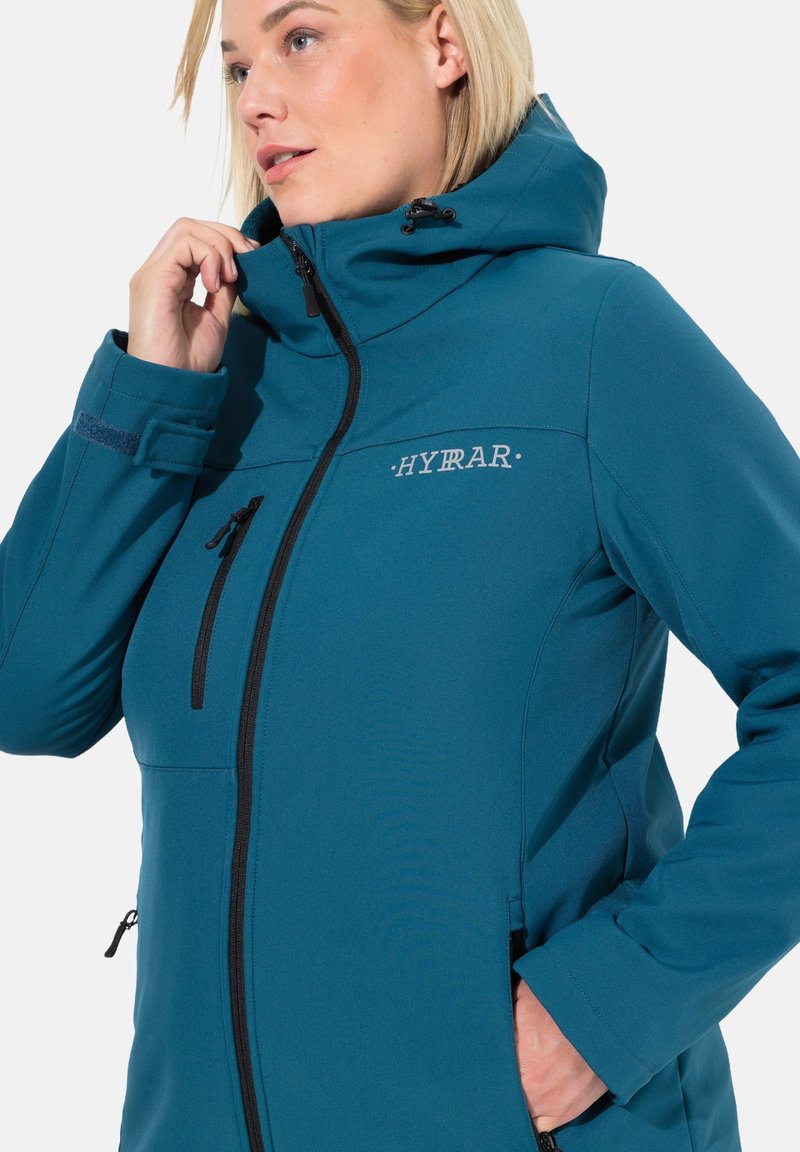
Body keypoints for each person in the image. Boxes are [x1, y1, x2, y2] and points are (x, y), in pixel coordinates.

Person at [0, 0, 798, 1149]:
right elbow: (28, 696)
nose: (256, 100)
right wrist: (149, 396)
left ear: (442, 44)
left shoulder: (593, 340)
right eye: (235, 67)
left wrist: (609, 1006)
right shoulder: (220, 381)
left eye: (300, 38)